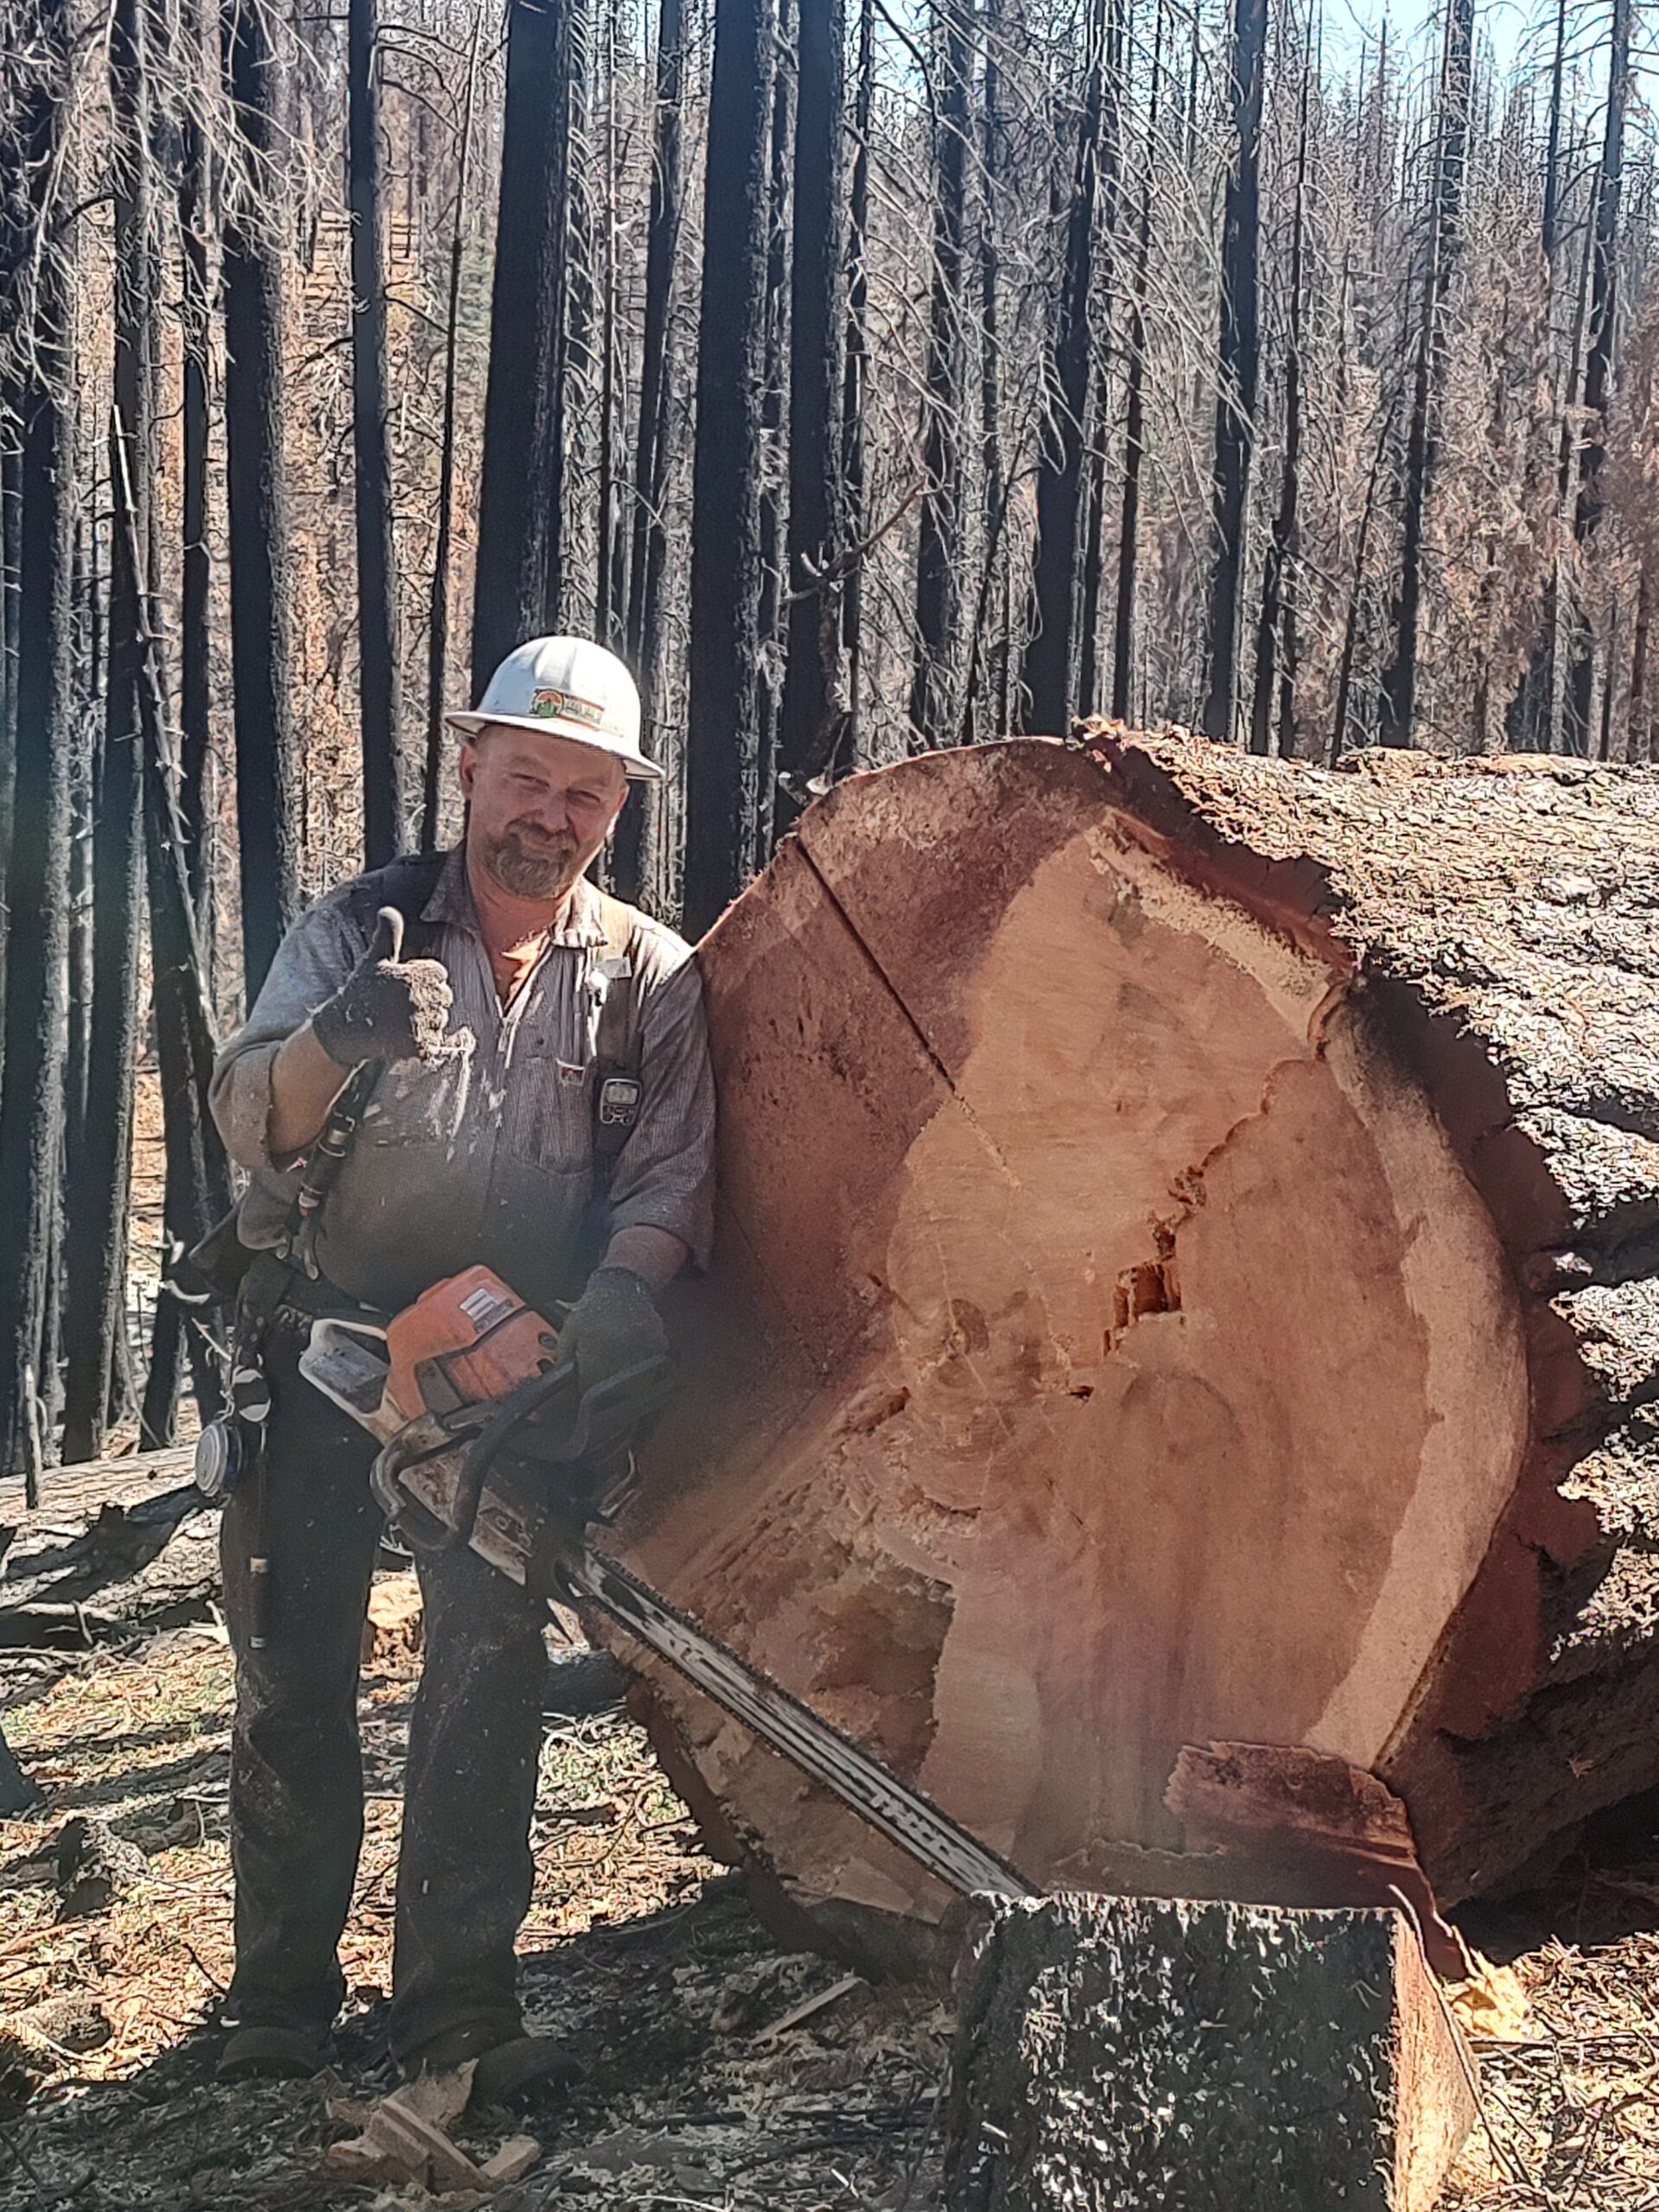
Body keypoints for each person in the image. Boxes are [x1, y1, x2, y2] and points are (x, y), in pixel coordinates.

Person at [207, 636, 715, 2091]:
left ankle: (456, 2012)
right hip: (326, 1349)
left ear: (618, 809)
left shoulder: (645, 976)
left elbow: (674, 1176)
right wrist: (339, 1043)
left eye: (588, 794)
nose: (550, 816)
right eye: (530, 777)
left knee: (483, 1671)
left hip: (505, 1373)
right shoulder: (358, 929)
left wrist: (625, 1295)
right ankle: (278, 2003)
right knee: (295, 1676)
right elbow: (248, 1113)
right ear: (471, 762)